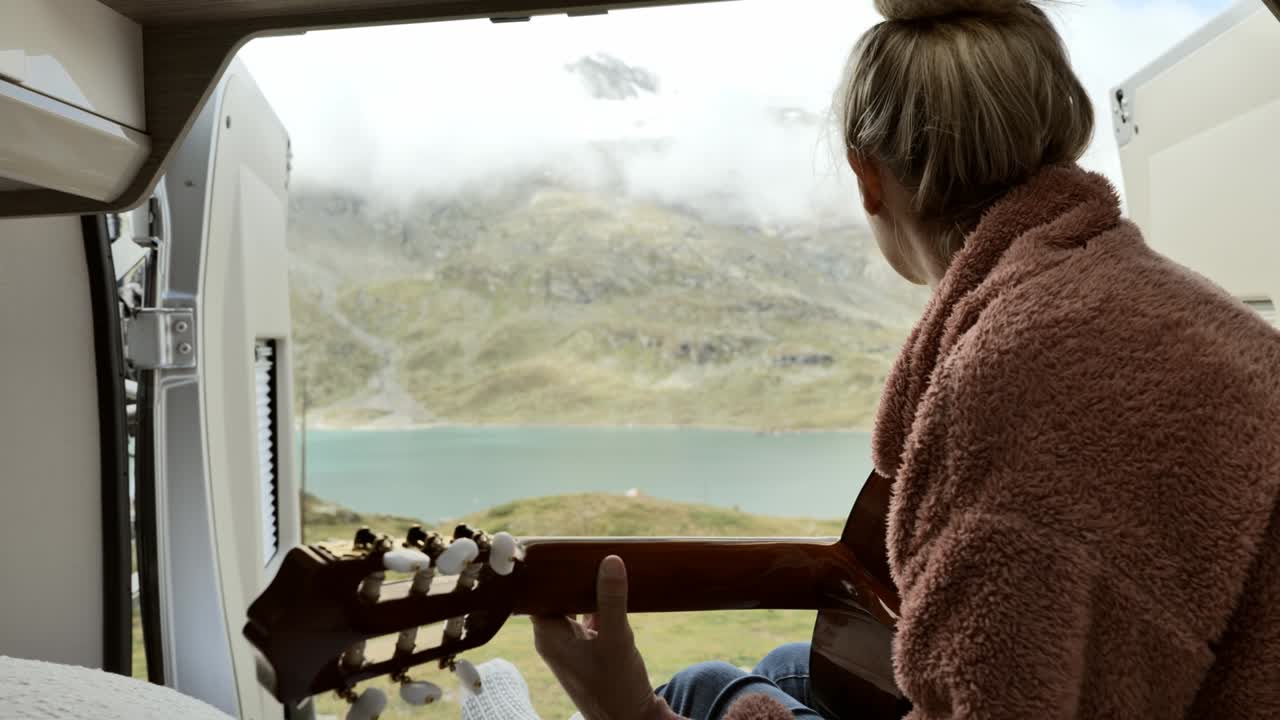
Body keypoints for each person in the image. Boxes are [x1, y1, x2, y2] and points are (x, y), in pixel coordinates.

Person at [533, 0, 1280, 717]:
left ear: (868, 176)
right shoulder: (1155, 298)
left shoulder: (1017, 378)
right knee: (797, 666)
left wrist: (630, 710)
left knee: (702, 688)